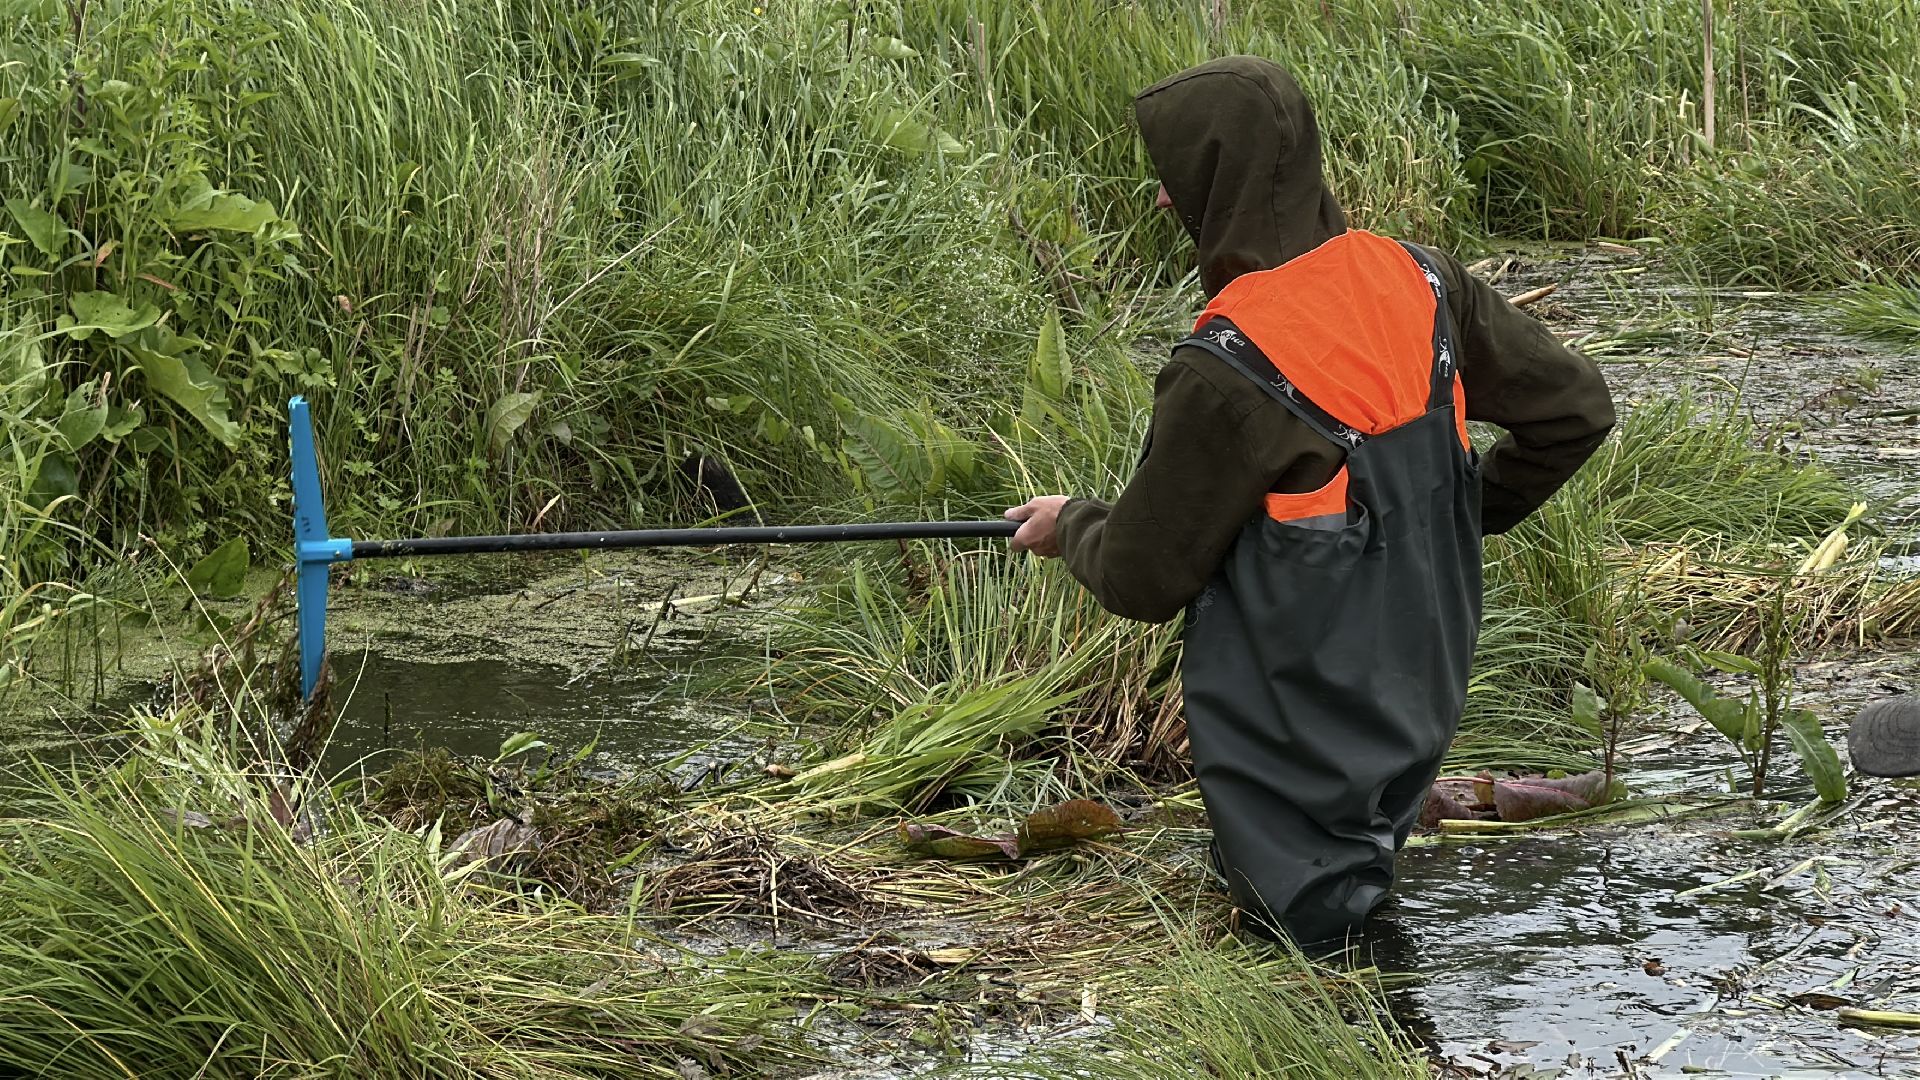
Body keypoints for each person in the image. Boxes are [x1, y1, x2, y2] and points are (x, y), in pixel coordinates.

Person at [1004, 56, 1616, 948]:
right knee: (1349, 869)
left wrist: (1072, 527)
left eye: (1181, 174)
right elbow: (1576, 411)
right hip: (1422, 675)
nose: (1169, 200)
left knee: (1319, 944)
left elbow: (1142, 575)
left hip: (1305, 709)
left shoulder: (1226, 366)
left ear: (1228, 176)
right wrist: (1447, 522)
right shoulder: (1420, 277)